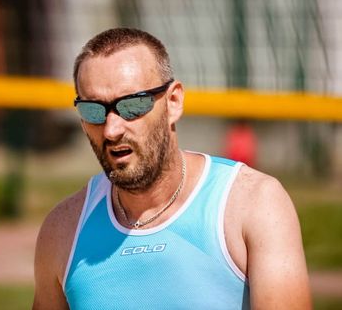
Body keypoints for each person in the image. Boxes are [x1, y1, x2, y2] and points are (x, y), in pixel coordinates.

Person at [33, 28, 312, 309]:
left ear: (173, 102)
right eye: (93, 110)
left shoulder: (252, 204)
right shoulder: (64, 229)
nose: (111, 129)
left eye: (131, 105)